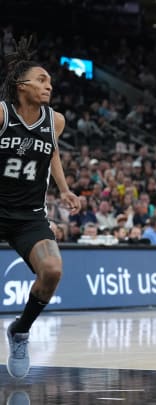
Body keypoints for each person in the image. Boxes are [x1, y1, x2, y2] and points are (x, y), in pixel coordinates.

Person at [0, 36, 81, 378]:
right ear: (21, 86)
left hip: (28, 216)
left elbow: (52, 153)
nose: (50, 84)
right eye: (42, 79)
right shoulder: (2, 113)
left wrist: (64, 189)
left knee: (52, 271)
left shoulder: (55, 121)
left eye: (50, 80)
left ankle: (20, 331)